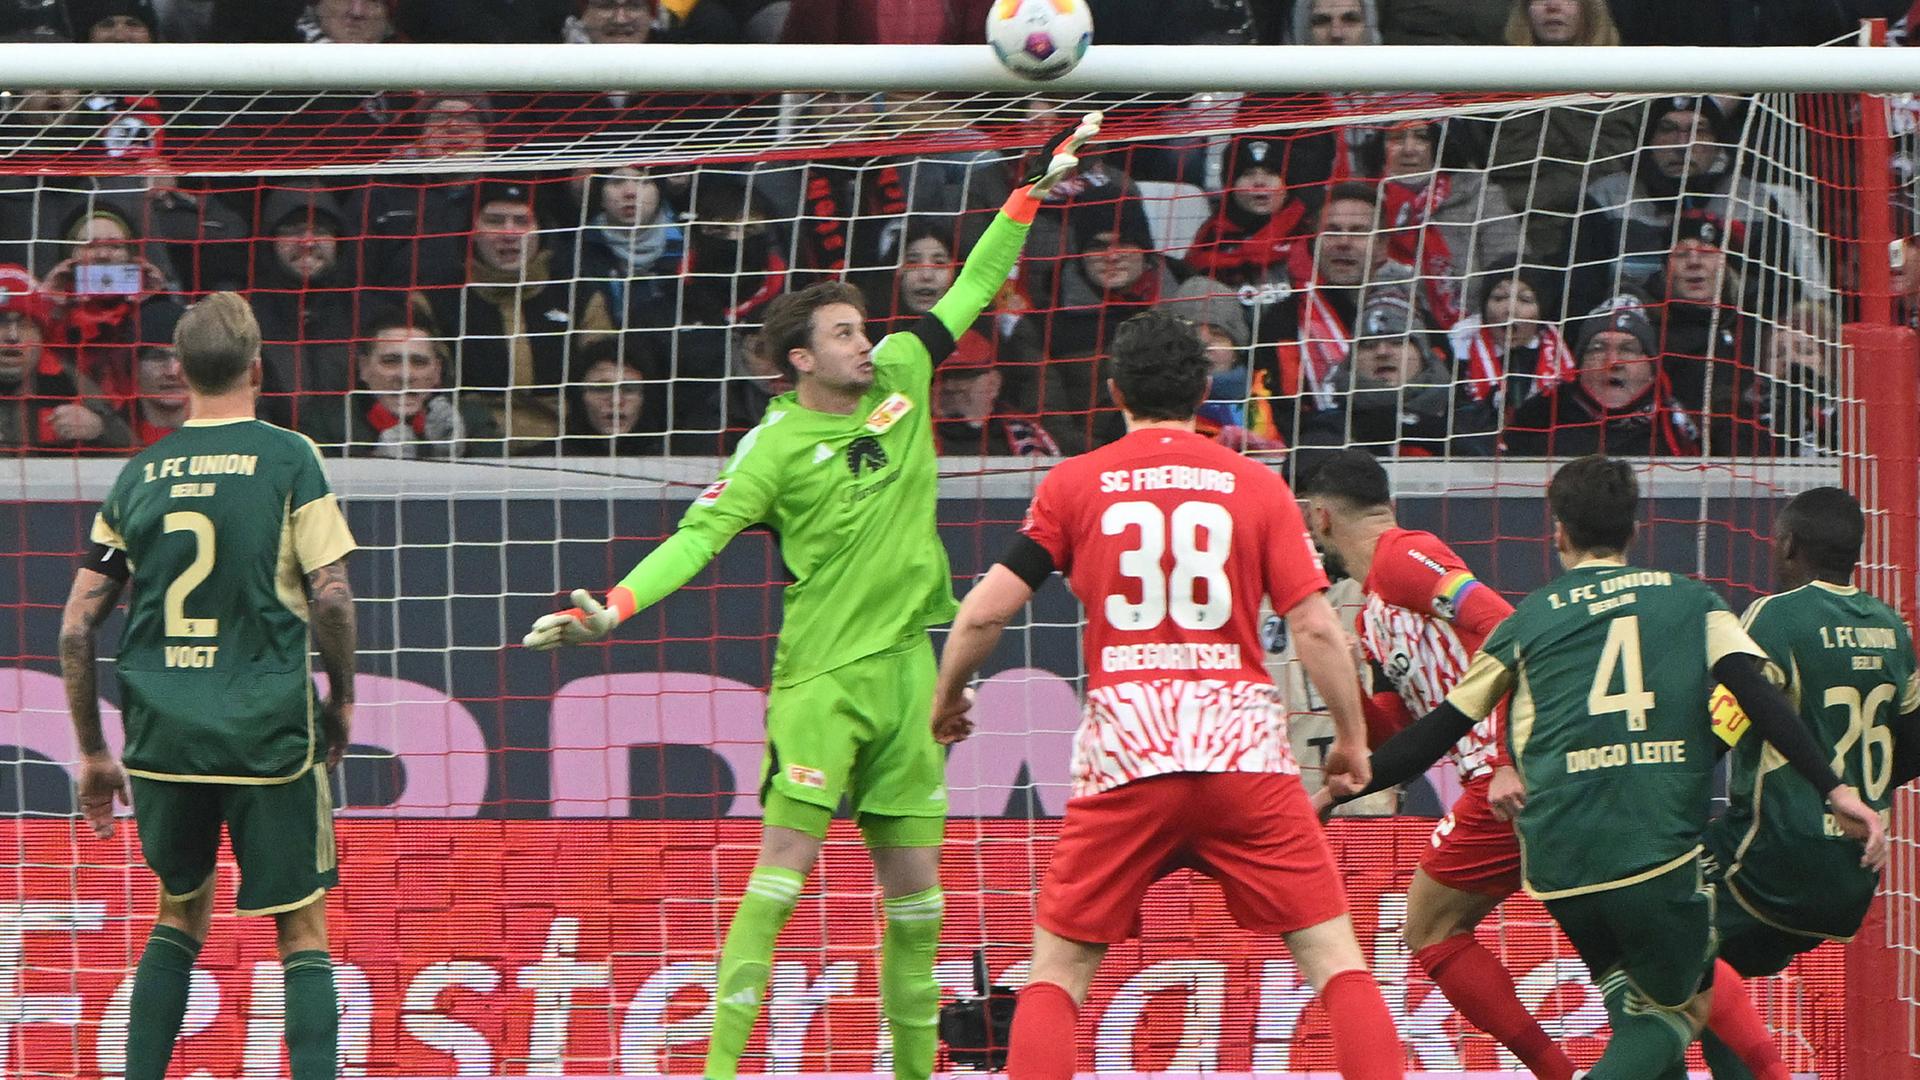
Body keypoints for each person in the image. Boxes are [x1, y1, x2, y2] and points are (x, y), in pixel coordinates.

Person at [521, 113, 1103, 1080]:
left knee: (920, 904)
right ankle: (715, 1071)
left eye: (864, 328)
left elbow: (971, 285)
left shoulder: (907, 372)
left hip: (910, 682)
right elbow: (696, 539)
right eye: (844, 333)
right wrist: (613, 609)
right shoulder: (774, 449)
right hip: (819, 684)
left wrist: (1026, 193)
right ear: (799, 360)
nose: (866, 342)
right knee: (781, 882)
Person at [928, 308, 1402, 1080]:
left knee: (1059, 971)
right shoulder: (1257, 486)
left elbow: (983, 610)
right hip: (1242, 753)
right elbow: (1316, 629)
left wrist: (949, 698)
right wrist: (1352, 742)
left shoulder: (1075, 482)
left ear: (1114, 391)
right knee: (1333, 957)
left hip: (1128, 754)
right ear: (1205, 391)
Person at [1323, 454, 1886, 1080]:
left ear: (1557, 532)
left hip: (1561, 854)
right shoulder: (1689, 600)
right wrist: (1835, 787)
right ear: (1637, 531)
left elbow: (1434, 731)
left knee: (1633, 1000)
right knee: (1679, 1005)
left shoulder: (1531, 615)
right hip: (1647, 843)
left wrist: (1339, 791)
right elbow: (1756, 694)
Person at [58, 291, 357, 1080]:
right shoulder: (290, 455)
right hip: (268, 729)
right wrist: (344, 701)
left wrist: (93, 752)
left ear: (178, 372)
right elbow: (330, 596)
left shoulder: (141, 471)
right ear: (258, 366)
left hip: (163, 735)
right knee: (302, 930)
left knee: (177, 916)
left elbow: (75, 629)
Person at [1299, 449, 1574, 1080]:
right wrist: (1345, 685)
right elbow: (1398, 736)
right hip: (1515, 775)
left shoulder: (1404, 555)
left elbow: (1504, 624)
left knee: (1428, 924)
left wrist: (1507, 758)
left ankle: (1557, 1072)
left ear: (1320, 519)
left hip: (1514, 772)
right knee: (1617, 932)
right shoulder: (1372, 614)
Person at [1697, 487, 1920, 1079]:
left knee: (1648, 930)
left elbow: (1725, 724)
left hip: (1771, 861)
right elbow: (1917, 742)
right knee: (1717, 980)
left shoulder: (1775, 616)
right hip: (1851, 879)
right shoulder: (1891, 628)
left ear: (1789, 544)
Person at [1506, 296, 1701, 456]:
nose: (1613, 362)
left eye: (1628, 349)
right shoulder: (1537, 418)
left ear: (1651, 369)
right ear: (1579, 366)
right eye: (1598, 349)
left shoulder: (1680, 427)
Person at [301, 307, 501, 458]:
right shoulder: (324, 425)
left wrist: (460, 454)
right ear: (364, 368)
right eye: (390, 361)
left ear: (437, 372)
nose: (405, 375)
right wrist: (375, 466)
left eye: (419, 362)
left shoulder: (471, 420)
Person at [0, 264, 131, 451]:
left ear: (41, 334)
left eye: (25, 324)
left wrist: (100, 429)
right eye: (1, 322)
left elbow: (134, 450)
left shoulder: (70, 382)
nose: (12, 336)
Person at [126, 298, 190, 446]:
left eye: (182, 357)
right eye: (157, 357)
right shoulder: (110, 440)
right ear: (134, 369)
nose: (172, 372)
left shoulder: (225, 439)